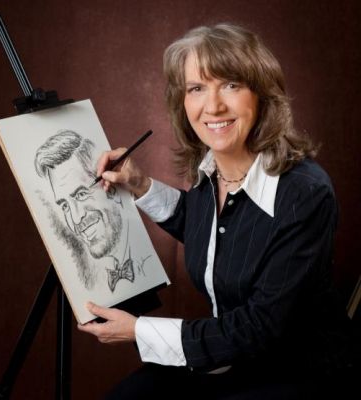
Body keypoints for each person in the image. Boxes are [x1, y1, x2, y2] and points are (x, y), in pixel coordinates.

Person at [77, 23, 355, 398]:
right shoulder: (212, 170)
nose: (213, 106)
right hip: (227, 355)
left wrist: (139, 331)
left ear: (262, 94)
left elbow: (261, 326)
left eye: (230, 85)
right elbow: (209, 228)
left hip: (296, 368)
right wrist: (139, 183)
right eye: (196, 88)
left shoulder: (304, 194)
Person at [34, 130, 148, 293]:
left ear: (111, 187)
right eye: (65, 206)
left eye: (81, 194)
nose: (76, 218)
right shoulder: (90, 283)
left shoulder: (149, 261)